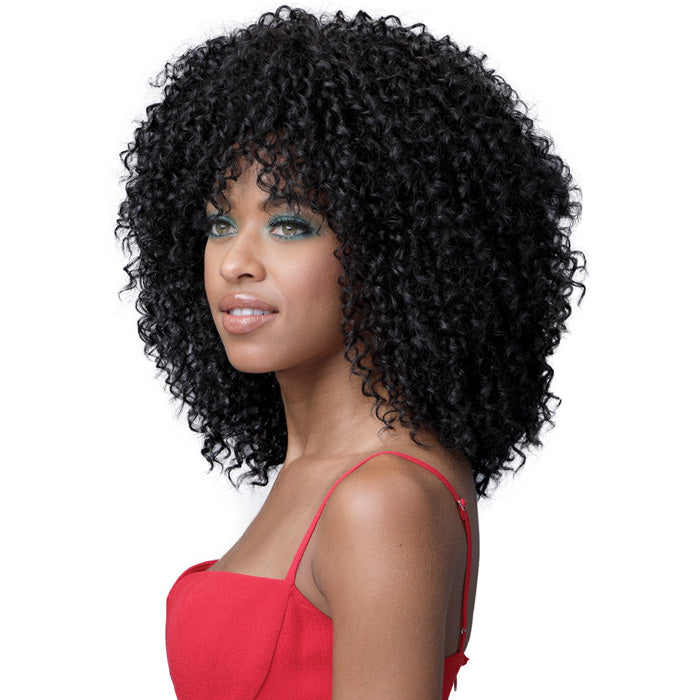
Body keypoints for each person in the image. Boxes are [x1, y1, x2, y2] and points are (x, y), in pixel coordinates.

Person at [115, 6, 585, 699]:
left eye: (289, 224)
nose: (235, 262)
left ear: (391, 247)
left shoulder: (382, 499)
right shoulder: (324, 472)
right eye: (220, 223)